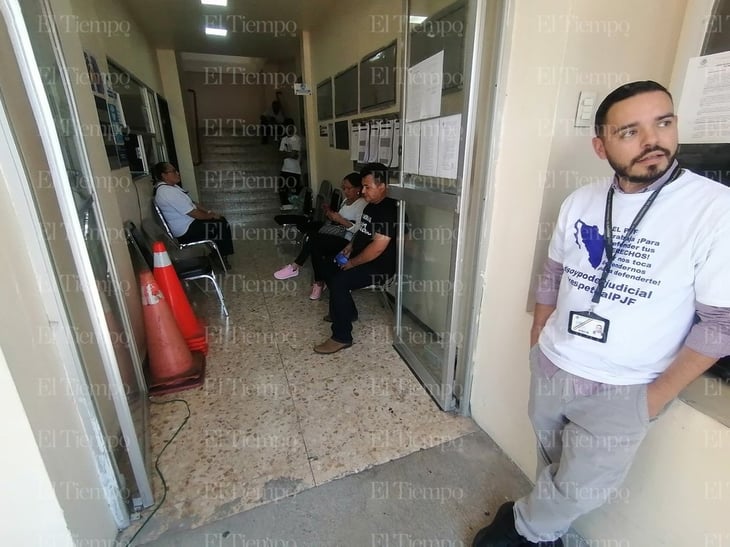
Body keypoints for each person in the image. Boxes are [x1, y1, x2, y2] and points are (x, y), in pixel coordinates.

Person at [472, 81, 730, 546]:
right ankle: (549, 534)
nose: (652, 140)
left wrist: (649, 401)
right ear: (601, 145)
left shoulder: (714, 209)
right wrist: (538, 343)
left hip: (626, 388)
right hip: (554, 364)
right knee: (552, 468)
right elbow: (551, 275)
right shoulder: (581, 200)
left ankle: (515, 531)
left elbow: (722, 323)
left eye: (663, 123)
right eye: (630, 131)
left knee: (583, 486)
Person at [313, 163, 399, 354]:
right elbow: (362, 232)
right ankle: (346, 312)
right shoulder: (370, 207)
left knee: (340, 281)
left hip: (379, 267)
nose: (363, 191)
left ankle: (341, 337)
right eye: (363, 186)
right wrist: (349, 248)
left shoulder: (390, 210)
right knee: (327, 267)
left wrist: (352, 263)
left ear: (382, 185)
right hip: (362, 258)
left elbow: (377, 249)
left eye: (368, 187)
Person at [273, 173, 367, 300]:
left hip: (347, 240)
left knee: (313, 239)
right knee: (315, 246)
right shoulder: (345, 201)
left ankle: (296, 267)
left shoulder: (362, 204)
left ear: (358, 189)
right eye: (343, 188)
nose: (345, 191)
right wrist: (331, 215)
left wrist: (340, 220)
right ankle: (318, 283)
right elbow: (338, 220)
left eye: (348, 188)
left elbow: (360, 229)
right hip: (337, 233)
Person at [152, 162, 234, 269]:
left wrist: (209, 212)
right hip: (186, 231)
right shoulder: (166, 192)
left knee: (220, 221)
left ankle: (217, 254)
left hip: (190, 223)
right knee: (221, 225)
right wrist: (212, 216)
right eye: (173, 171)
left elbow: (193, 203)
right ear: (164, 175)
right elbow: (195, 214)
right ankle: (220, 258)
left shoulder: (172, 187)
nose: (177, 173)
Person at [278, 119, 302, 206]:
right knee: (282, 190)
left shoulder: (296, 139)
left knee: (294, 193)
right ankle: (285, 207)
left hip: (294, 171)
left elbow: (294, 154)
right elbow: (281, 154)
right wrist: (289, 154)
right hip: (284, 169)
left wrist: (286, 154)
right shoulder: (284, 139)